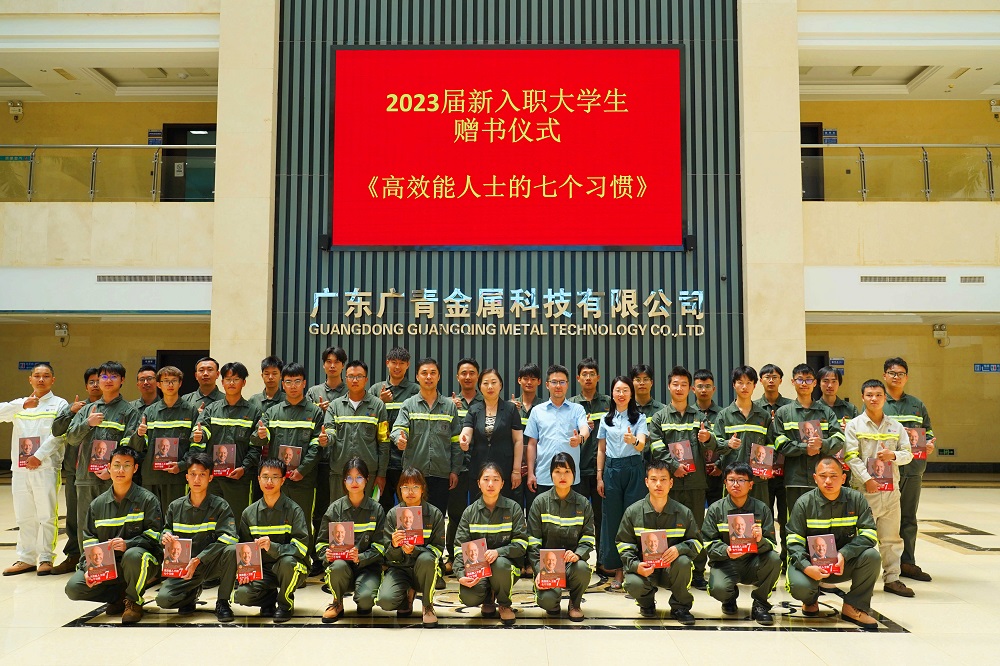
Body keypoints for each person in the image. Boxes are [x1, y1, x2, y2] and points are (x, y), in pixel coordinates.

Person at [64, 445, 162, 624]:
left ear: (135, 468)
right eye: (116, 465)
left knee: (133, 555)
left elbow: (155, 536)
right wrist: (89, 569)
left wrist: (128, 544)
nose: (120, 470)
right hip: (109, 566)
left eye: (126, 465)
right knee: (74, 588)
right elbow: (89, 541)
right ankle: (118, 596)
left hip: (140, 561)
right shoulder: (97, 505)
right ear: (108, 467)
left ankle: (133, 602)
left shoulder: (147, 500)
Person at [786, 456, 881, 630]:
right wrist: (806, 567)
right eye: (823, 476)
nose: (828, 481)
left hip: (843, 563)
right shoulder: (804, 503)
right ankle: (810, 599)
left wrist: (845, 553)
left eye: (833, 476)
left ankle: (853, 606)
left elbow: (869, 533)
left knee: (872, 556)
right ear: (815, 478)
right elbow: (793, 541)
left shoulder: (856, 499)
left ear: (843, 478)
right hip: (811, 564)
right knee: (800, 587)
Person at [844, 378, 915, 598]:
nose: (874, 399)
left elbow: (908, 454)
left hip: (891, 491)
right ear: (862, 397)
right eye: (869, 395)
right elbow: (851, 456)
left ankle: (892, 578)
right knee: (862, 537)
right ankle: (860, 579)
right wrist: (867, 479)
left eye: (878, 395)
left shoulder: (896, 426)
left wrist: (893, 455)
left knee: (891, 537)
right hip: (863, 491)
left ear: (885, 398)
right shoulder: (854, 425)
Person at [648, 366, 715, 590]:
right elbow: (656, 447)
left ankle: (698, 572)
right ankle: (664, 569)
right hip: (669, 484)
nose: (679, 388)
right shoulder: (659, 417)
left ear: (690, 388)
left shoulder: (700, 417)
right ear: (669, 387)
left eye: (684, 385)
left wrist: (707, 438)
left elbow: (712, 446)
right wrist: (674, 466)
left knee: (696, 527)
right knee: (667, 526)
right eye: (675, 384)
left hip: (696, 482)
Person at [66, 361, 141, 558]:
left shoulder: (130, 411)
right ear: (98, 380)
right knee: (86, 524)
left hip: (115, 479)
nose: (108, 380)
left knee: (113, 523)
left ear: (122, 380)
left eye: (113, 376)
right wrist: (87, 423)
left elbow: (129, 447)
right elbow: (71, 439)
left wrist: (112, 470)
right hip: (86, 477)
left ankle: (112, 568)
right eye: (104, 377)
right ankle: (88, 565)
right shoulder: (87, 410)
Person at [251, 362, 326, 558]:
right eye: (289, 382)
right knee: (276, 520)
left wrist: (302, 470)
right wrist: (260, 435)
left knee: (302, 521)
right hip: (277, 480)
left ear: (304, 383)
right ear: (283, 384)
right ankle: (274, 559)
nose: (293, 386)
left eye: (297, 381)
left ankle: (303, 560)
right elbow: (259, 438)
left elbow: (317, 446)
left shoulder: (315, 412)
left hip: (303, 479)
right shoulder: (273, 412)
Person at [1, 363, 69, 576]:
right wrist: (22, 405)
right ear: (30, 379)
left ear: (53, 380)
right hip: (20, 469)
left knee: (46, 514)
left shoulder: (59, 404)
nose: (41, 379)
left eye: (46, 376)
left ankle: (46, 557)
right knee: (24, 515)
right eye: (37, 376)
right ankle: (26, 558)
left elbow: (59, 435)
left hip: (45, 467)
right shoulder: (21, 404)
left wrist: (38, 456)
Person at [155, 451, 239, 622]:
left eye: (202, 475)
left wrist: (200, 559)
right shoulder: (175, 506)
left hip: (211, 563)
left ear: (210, 478)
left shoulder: (220, 506)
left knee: (231, 550)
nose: (197, 479)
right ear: (186, 477)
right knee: (163, 600)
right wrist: (165, 536)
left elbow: (230, 538)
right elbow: (166, 529)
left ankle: (223, 602)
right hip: (185, 567)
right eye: (193, 474)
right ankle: (191, 595)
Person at [616, 459, 702, 625]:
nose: (658, 484)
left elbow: (697, 542)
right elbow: (623, 544)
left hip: (672, 569)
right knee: (632, 582)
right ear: (646, 482)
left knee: (684, 562)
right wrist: (636, 566)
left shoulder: (684, 512)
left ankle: (680, 606)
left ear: (671, 483)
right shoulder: (633, 512)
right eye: (653, 479)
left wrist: (680, 549)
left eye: (663, 479)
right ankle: (646, 603)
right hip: (645, 569)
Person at [701, 462, 781, 625]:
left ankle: (760, 603)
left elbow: (772, 544)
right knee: (719, 589)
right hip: (726, 562)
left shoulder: (762, 509)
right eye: (731, 480)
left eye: (741, 480)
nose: (736, 484)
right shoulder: (716, 509)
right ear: (725, 483)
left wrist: (760, 540)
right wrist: (726, 550)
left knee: (775, 559)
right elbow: (707, 542)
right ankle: (729, 597)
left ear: (751, 484)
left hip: (753, 562)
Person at [233, 457, 311, 623]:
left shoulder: (294, 510)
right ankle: (268, 598)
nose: (269, 482)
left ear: (283, 480)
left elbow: (302, 548)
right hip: (264, 571)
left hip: (291, 567)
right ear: (258, 479)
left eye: (275, 477)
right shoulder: (249, 513)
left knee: (287, 563)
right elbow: (245, 548)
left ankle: (285, 604)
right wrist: (245, 571)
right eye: (265, 477)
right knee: (241, 595)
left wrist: (273, 547)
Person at [454, 462, 528, 626]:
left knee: (499, 564)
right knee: (468, 597)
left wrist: (499, 552)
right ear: (478, 483)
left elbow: (522, 543)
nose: (490, 484)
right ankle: (488, 596)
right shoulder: (470, 512)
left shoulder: (513, 508)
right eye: (486, 479)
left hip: (506, 567)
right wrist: (460, 574)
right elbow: (459, 547)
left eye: (495, 480)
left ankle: (504, 603)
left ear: (502, 484)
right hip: (478, 569)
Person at [882, 357, 936, 582]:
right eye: (892, 373)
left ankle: (907, 562)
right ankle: (885, 565)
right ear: (885, 375)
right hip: (884, 471)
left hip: (913, 468)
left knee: (908, 518)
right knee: (883, 519)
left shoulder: (917, 405)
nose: (896, 377)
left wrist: (929, 444)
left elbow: (928, 432)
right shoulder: (877, 402)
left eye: (901, 373)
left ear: (906, 377)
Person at [316, 457, 386, 623]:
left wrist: (360, 557)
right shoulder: (335, 509)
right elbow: (320, 543)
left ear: (367, 479)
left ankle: (364, 594)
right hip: (342, 566)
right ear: (344, 481)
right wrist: (327, 554)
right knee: (337, 567)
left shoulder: (376, 509)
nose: (354, 482)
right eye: (349, 478)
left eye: (359, 477)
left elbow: (381, 546)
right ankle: (337, 602)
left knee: (365, 602)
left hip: (368, 567)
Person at [527, 453, 595, 622]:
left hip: (571, 564)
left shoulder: (583, 504)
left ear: (574, 474)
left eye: (567, 471)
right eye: (558, 471)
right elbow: (533, 543)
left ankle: (575, 603)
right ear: (551, 474)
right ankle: (553, 599)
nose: (562, 476)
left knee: (582, 568)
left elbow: (588, 538)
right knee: (548, 602)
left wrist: (578, 554)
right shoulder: (540, 503)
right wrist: (539, 570)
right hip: (547, 567)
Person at [773, 364, 844, 525]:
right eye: (800, 379)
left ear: (814, 383)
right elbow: (779, 443)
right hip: (794, 479)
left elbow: (839, 439)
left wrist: (822, 444)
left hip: (823, 478)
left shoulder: (826, 412)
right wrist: (805, 448)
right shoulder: (783, 413)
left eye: (808, 380)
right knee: (794, 522)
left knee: (822, 522)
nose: (804, 383)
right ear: (793, 382)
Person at [390, 358, 462, 517]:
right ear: (417, 376)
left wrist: (455, 470)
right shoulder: (408, 404)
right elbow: (398, 429)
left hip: (441, 474)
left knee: (436, 518)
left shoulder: (449, 406)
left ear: (439, 377)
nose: (428, 377)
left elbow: (456, 441)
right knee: (411, 521)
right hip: (414, 476)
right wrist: (399, 439)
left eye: (433, 373)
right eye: (424, 373)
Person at [595, 376, 648, 591]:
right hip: (611, 470)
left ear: (631, 394)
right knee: (613, 520)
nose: (621, 394)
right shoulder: (605, 419)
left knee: (634, 520)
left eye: (625, 390)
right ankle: (617, 569)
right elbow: (601, 449)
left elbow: (641, 445)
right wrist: (599, 476)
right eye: (617, 390)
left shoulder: (639, 418)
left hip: (634, 469)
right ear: (612, 393)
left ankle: (634, 568)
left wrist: (633, 440)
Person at [377, 467, 446, 627]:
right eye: (405, 487)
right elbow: (387, 555)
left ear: (423, 489)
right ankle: (407, 595)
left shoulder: (434, 514)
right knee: (386, 601)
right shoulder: (393, 514)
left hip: (425, 568)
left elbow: (437, 550)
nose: (410, 492)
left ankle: (427, 605)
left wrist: (415, 550)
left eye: (415, 487)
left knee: (427, 559)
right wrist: (395, 546)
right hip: (399, 568)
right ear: (399, 490)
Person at [194, 361, 264, 520]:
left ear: (244, 382)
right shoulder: (211, 409)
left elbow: (255, 447)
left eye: (236, 379)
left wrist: (244, 468)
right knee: (210, 519)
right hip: (213, 478)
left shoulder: (253, 412)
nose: (232, 383)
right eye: (228, 379)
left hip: (238, 478)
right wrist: (199, 435)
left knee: (236, 520)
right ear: (222, 382)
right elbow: (201, 431)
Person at [50, 368, 102, 575]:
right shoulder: (76, 408)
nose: (96, 385)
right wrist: (71, 412)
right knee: (74, 516)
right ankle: (74, 555)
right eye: (91, 382)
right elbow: (56, 430)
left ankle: (102, 559)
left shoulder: (114, 408)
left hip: (104, 473)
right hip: (75, 471)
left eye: (99, 380)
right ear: (86, 386)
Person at [129, 366, 200, 512]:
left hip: (178, 477)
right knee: (151, 517)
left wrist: (182, 465)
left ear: (180, 383)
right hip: (151, 477)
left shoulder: (191, 410)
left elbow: (196, 446)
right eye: (166, 381)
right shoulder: (149, 411)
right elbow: (138, 447)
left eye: (174, 380)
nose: (170, 384)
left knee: (176, 516)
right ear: (159, 384)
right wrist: (139, 435)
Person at [323, 360, 389, 504]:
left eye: (359, 376)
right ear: (345, 379)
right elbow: (329, 433)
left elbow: (384, 442)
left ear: (366, 379)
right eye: (351, 376)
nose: (355, 380)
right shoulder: (335, 406)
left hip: (368, 474)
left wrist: (381, 474)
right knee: (340, 514)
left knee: (367, 514)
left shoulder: (378, 406)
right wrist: (325, 439)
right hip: (340, 473)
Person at [568, 357, 612, 574]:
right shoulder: (571, 405)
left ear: (598, 377)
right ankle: (576, 561)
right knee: (577, 518)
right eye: (584, 374)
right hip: (578, 470)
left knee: (602, 517)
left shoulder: (609, 403)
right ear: (578, 378)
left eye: (591, 374)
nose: (588, 378)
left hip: (602, 471)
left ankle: (603, 560)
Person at [525, 364, 590, 497]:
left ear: (567, 384)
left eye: (562, 382)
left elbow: (585, 428)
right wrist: (531, 473)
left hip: (570, 476)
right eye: (554, 382)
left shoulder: (577, 409)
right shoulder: (537, 411)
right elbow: (532, 444)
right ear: (547, 385)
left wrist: (580, 438)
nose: (558, 386)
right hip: (544, 475)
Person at [460, 369, 524, 501]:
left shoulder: (510, 409)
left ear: (500, 385)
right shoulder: (474, 410)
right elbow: (466, 431)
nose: (490, 387)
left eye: (494, 382)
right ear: (480, 387)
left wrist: (516, 471)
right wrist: (464, 440)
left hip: (504, 469)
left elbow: (518, 440)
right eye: (485, 383)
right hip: (479, 469)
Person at [370, 347, 420, 513]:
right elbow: (367, 420)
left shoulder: (415, 390)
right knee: (381, 508)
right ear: (387, 363)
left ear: (408, 365)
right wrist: (380, 402)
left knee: (408, 507)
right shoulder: (376, 389)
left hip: (406, 460)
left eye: (402, 363)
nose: (397, 367)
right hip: (381, 460)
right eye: (394, 362)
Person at [307, 346, 349, 537]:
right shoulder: (313, 392)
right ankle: (320, 547)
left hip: (342, 458)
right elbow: (306, 419)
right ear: (323, 365)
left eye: (337, 362)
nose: (332, 366)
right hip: (319, 458)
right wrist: (317, 411)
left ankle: (342, 545)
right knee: (320, 508)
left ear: (343, 365)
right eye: (328, 362)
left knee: (343, 506)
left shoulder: (350, 390)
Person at [446, 357, 482, 577]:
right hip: (457, 469)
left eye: (472, 373)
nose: (467, 377)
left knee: (479, 515)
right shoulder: (449, 403)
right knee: (456, 514)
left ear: (477, 376)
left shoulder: (486, 401)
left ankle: (476, 559)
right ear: (457, 377)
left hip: (481, 469)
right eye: (463, 373)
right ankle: (452, 556)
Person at [755, 363, 793, 553]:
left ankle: (786, 556)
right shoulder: (754, 407)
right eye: (767, 377)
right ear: (760, 380)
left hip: (787, 471)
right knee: (763, 515)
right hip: (762, 474)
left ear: (781, 380)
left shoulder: (790, 407)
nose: (771, 380)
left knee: (787, 518)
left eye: (774, 377)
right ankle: (767, 556)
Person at [511, 362, 543, 523]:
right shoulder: (509, 406)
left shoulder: (544, 407)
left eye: (533, 379)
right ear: (519, 380)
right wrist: (509, 412)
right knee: (514, 511)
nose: (529, 382)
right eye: (525, 378)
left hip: (536, 468)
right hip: (514, 467)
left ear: (539, 382)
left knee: (534, 512)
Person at [693, 369, 724, 504]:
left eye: (707, 386)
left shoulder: (723, 414)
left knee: (718, 512)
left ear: (714, 389)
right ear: (693, 389)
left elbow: (727, 442)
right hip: (695, 475)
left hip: (718, 474)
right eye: (700, 386)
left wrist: (719, 465)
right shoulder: (689, 414)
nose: (704, 390)